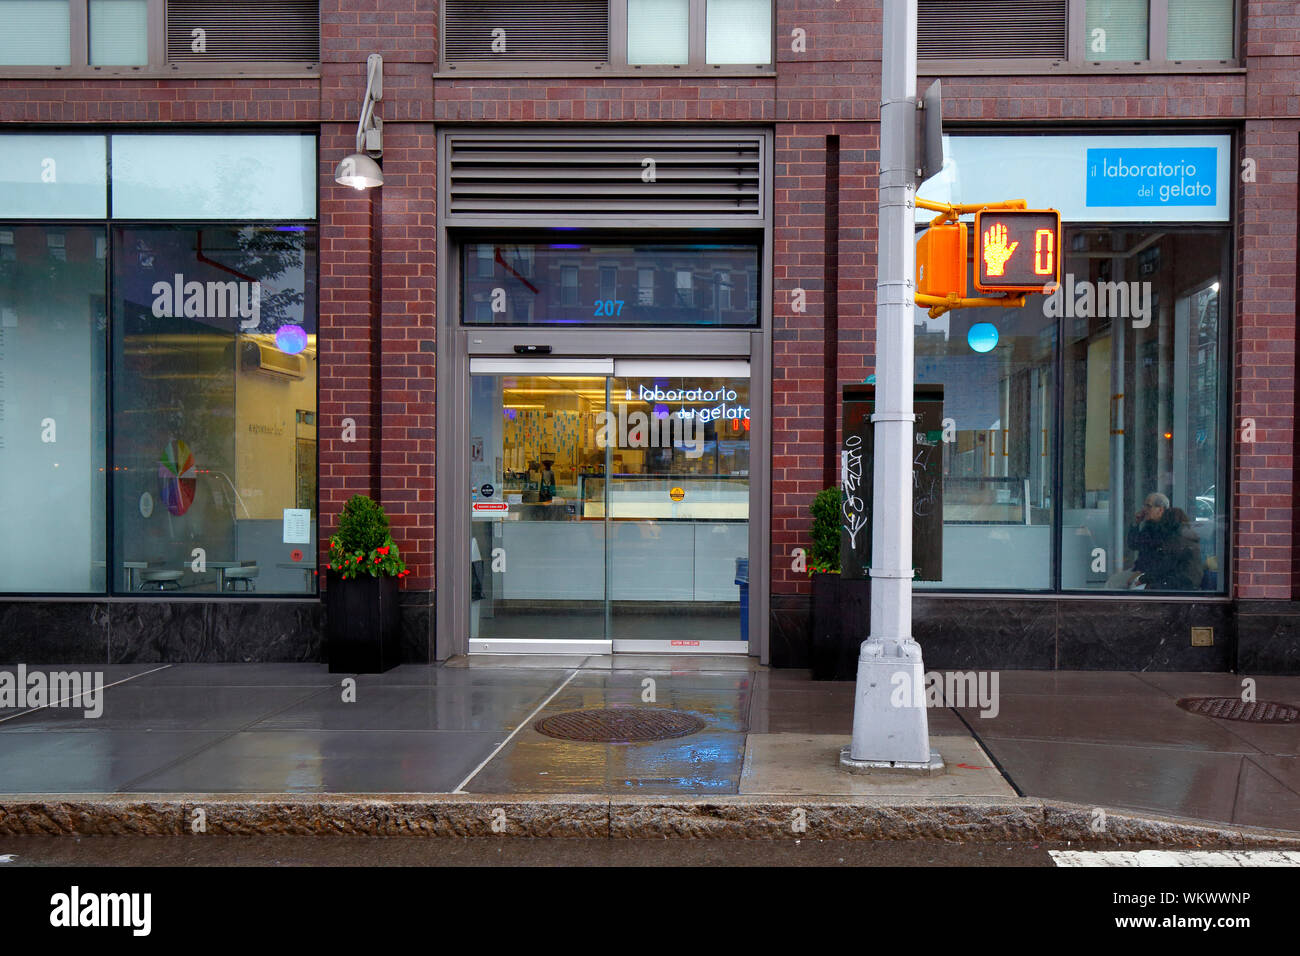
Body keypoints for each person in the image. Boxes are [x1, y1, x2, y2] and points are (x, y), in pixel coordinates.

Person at [1125, 494, 1202, 590]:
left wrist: (1143, 577)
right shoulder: (1150, 527)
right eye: (1144, 506)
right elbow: (1134, 544)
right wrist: (1135, 523)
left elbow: (1165, 563)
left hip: (1175, 579)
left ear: (1161, 510)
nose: (1144, 510)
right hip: (1154, 572)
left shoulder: (1172, 533)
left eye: (1148, 506)